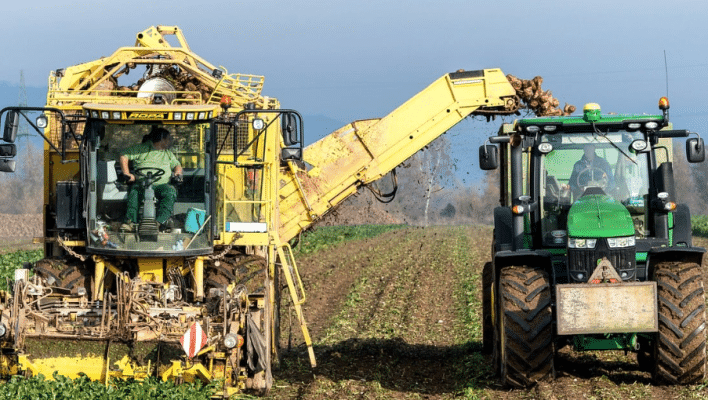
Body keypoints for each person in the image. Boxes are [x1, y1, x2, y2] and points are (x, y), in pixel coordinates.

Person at [119, 127, 182, 231]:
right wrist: (127, 173)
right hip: (142, 183)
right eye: (168, 139)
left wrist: (177, 173)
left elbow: (177, 165)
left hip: (161, 185)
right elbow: (123, 156)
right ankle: (130, 222)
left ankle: (160, 222)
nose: (170, 141)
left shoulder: (168, 153)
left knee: (170, 192)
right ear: (162, 139)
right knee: (134, 192)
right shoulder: (140, 149)